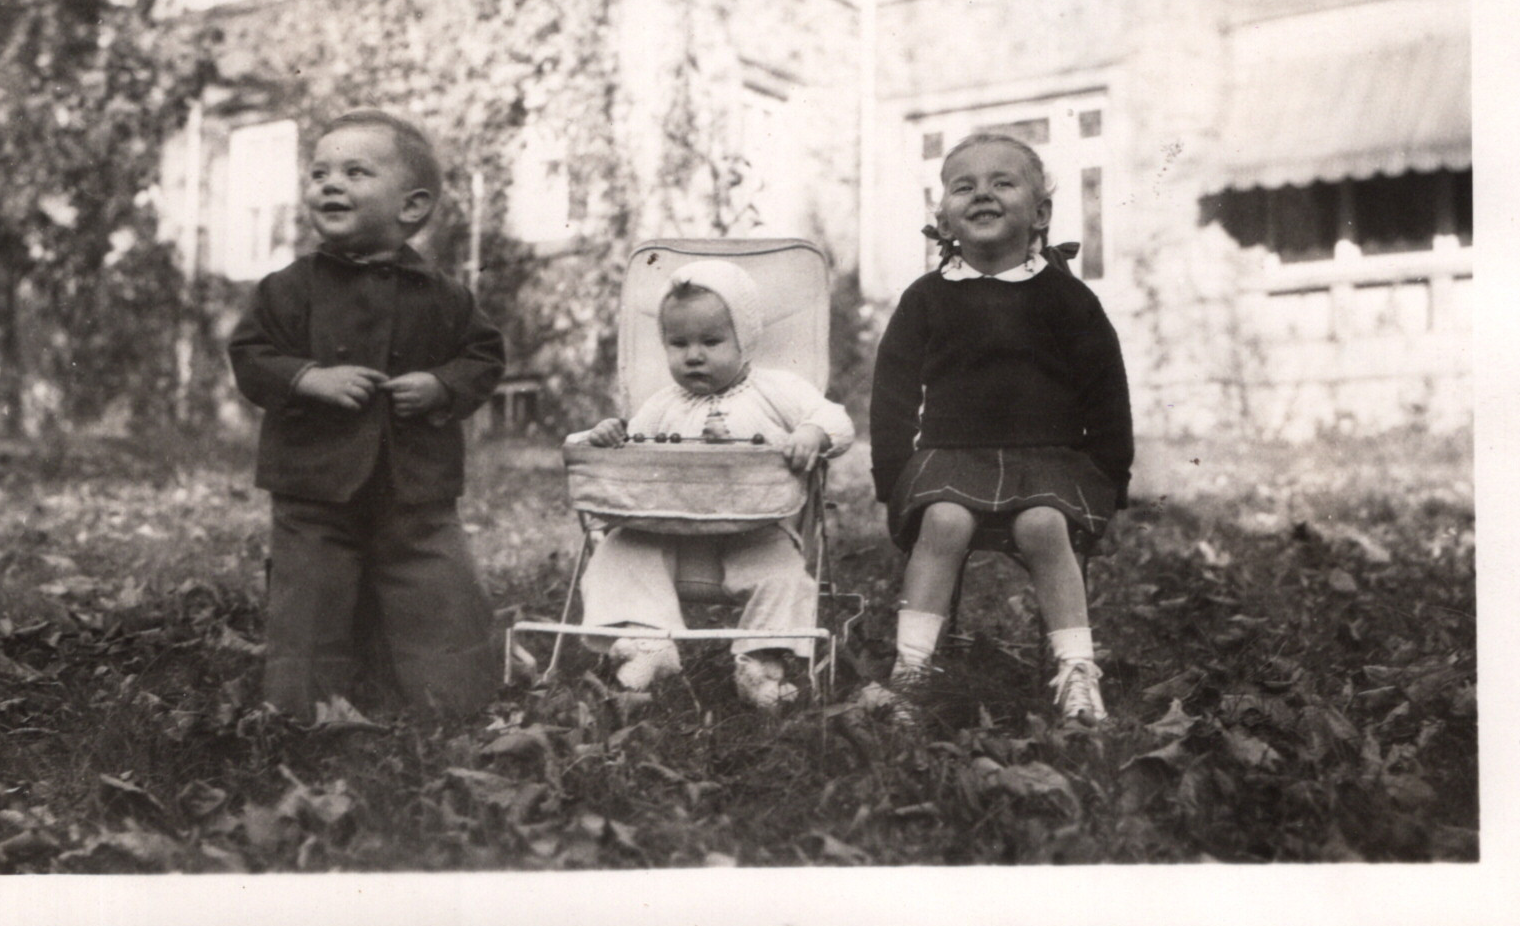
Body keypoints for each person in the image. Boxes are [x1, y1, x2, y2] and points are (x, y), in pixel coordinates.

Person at [229, 108, 505, 721]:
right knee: (310, 595)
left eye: (355, 173)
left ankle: (452, 699)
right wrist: (307, 377)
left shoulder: (444, 296)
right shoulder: (287, 288)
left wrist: (440, 385)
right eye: (319, 173)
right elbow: (250, 355)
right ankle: (304, 710)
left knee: (436, 586)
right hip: (313, 486)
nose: (330, 184)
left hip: (415, 485)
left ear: (412, 207)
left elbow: (483, 357)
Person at [868, 133, 1133, 724]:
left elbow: (1106, 390)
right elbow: (893, 392)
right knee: (944, 521)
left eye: (1002, 183)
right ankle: (911, 670)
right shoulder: (927, 298)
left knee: (1043, 525)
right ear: (944, 219)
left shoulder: (1067, 298)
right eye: (964, 186)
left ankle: (1077, 670)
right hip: (952, 458)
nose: (982, 194)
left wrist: (1111, 475)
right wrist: (892, 475)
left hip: (1048, 461)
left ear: (1040, 213)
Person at [569, 260, 855, 709]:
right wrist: (609, 438)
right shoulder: (662, 405)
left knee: (784, 576)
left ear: (745, 340)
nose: (694, 355)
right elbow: (631, 451)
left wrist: (811, 433)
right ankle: (648, 642)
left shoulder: (775, 390)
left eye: (711, 341)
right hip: (669, 531)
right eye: (679, 343)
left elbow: (835, 419)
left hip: (754, 530)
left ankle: (760, 664)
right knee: (618, 550)